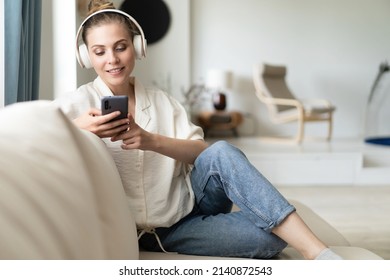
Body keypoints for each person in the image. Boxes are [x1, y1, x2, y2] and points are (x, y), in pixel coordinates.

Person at [54, 0, 342, 260]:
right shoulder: (76, 104)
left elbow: (202, 153)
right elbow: (30, 136)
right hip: (129, 233)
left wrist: (151, 140)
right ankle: (274, 221)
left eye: (120, 47)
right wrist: (80, 127)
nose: (112, 59)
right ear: (85, 56)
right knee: (271, 238)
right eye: (99, 51)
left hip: (184, 218)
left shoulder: (163, 101)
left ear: (137, 46)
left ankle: (318, 253)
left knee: (222, 152)